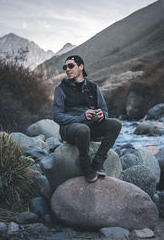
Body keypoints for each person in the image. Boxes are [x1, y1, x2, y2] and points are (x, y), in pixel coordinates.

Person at [52, 55, 122, 183]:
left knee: (116, 124)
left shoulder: (93, 87)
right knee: (83, 129)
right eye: (65, 67)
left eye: (71, 66)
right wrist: (81, 117)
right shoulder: (60, 89)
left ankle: (98, 162)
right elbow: (56, 115)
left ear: (81, 67)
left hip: (89, 126)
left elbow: (104, 110)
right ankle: (85, 165)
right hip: (69, 128)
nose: (67, 69)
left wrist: (102, 115)